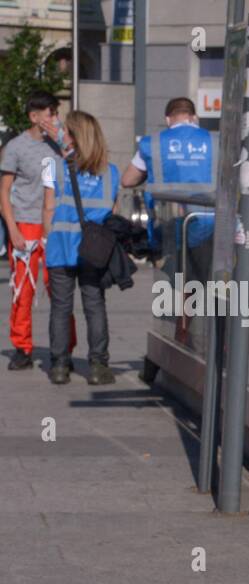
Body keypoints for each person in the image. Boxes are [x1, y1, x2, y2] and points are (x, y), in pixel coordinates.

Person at [121, 97, 216, 344]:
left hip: (170, 226)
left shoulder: (152, 144)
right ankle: (216, 341)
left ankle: (180, 337)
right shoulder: (214, 141)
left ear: (167, 119)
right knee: (209, 282)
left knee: (179, 284)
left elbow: (128, 180)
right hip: (211, 225)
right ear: (194, 117)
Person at [41, 110, 120, 385]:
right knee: (95, 305)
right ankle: (99, 367)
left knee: (61, 308)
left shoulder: (52, 165)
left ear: (72, 136)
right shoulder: (111, 171)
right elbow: (112, 211)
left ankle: (60, 366)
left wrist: (47, 238)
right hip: (94, 251)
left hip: (60, 247)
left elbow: (48, 207)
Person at [1, 91, 66, 370]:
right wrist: (12, 228)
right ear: (34, 116)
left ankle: (62, 350)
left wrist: (64, 140)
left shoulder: (61, 145)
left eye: (56, 113)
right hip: (26, 222)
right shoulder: (16, 147)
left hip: (57, 225)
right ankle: (22, 347)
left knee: (60, 289)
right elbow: (4, 191)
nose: (54, 119)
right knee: (23, 291)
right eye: (50, 113)